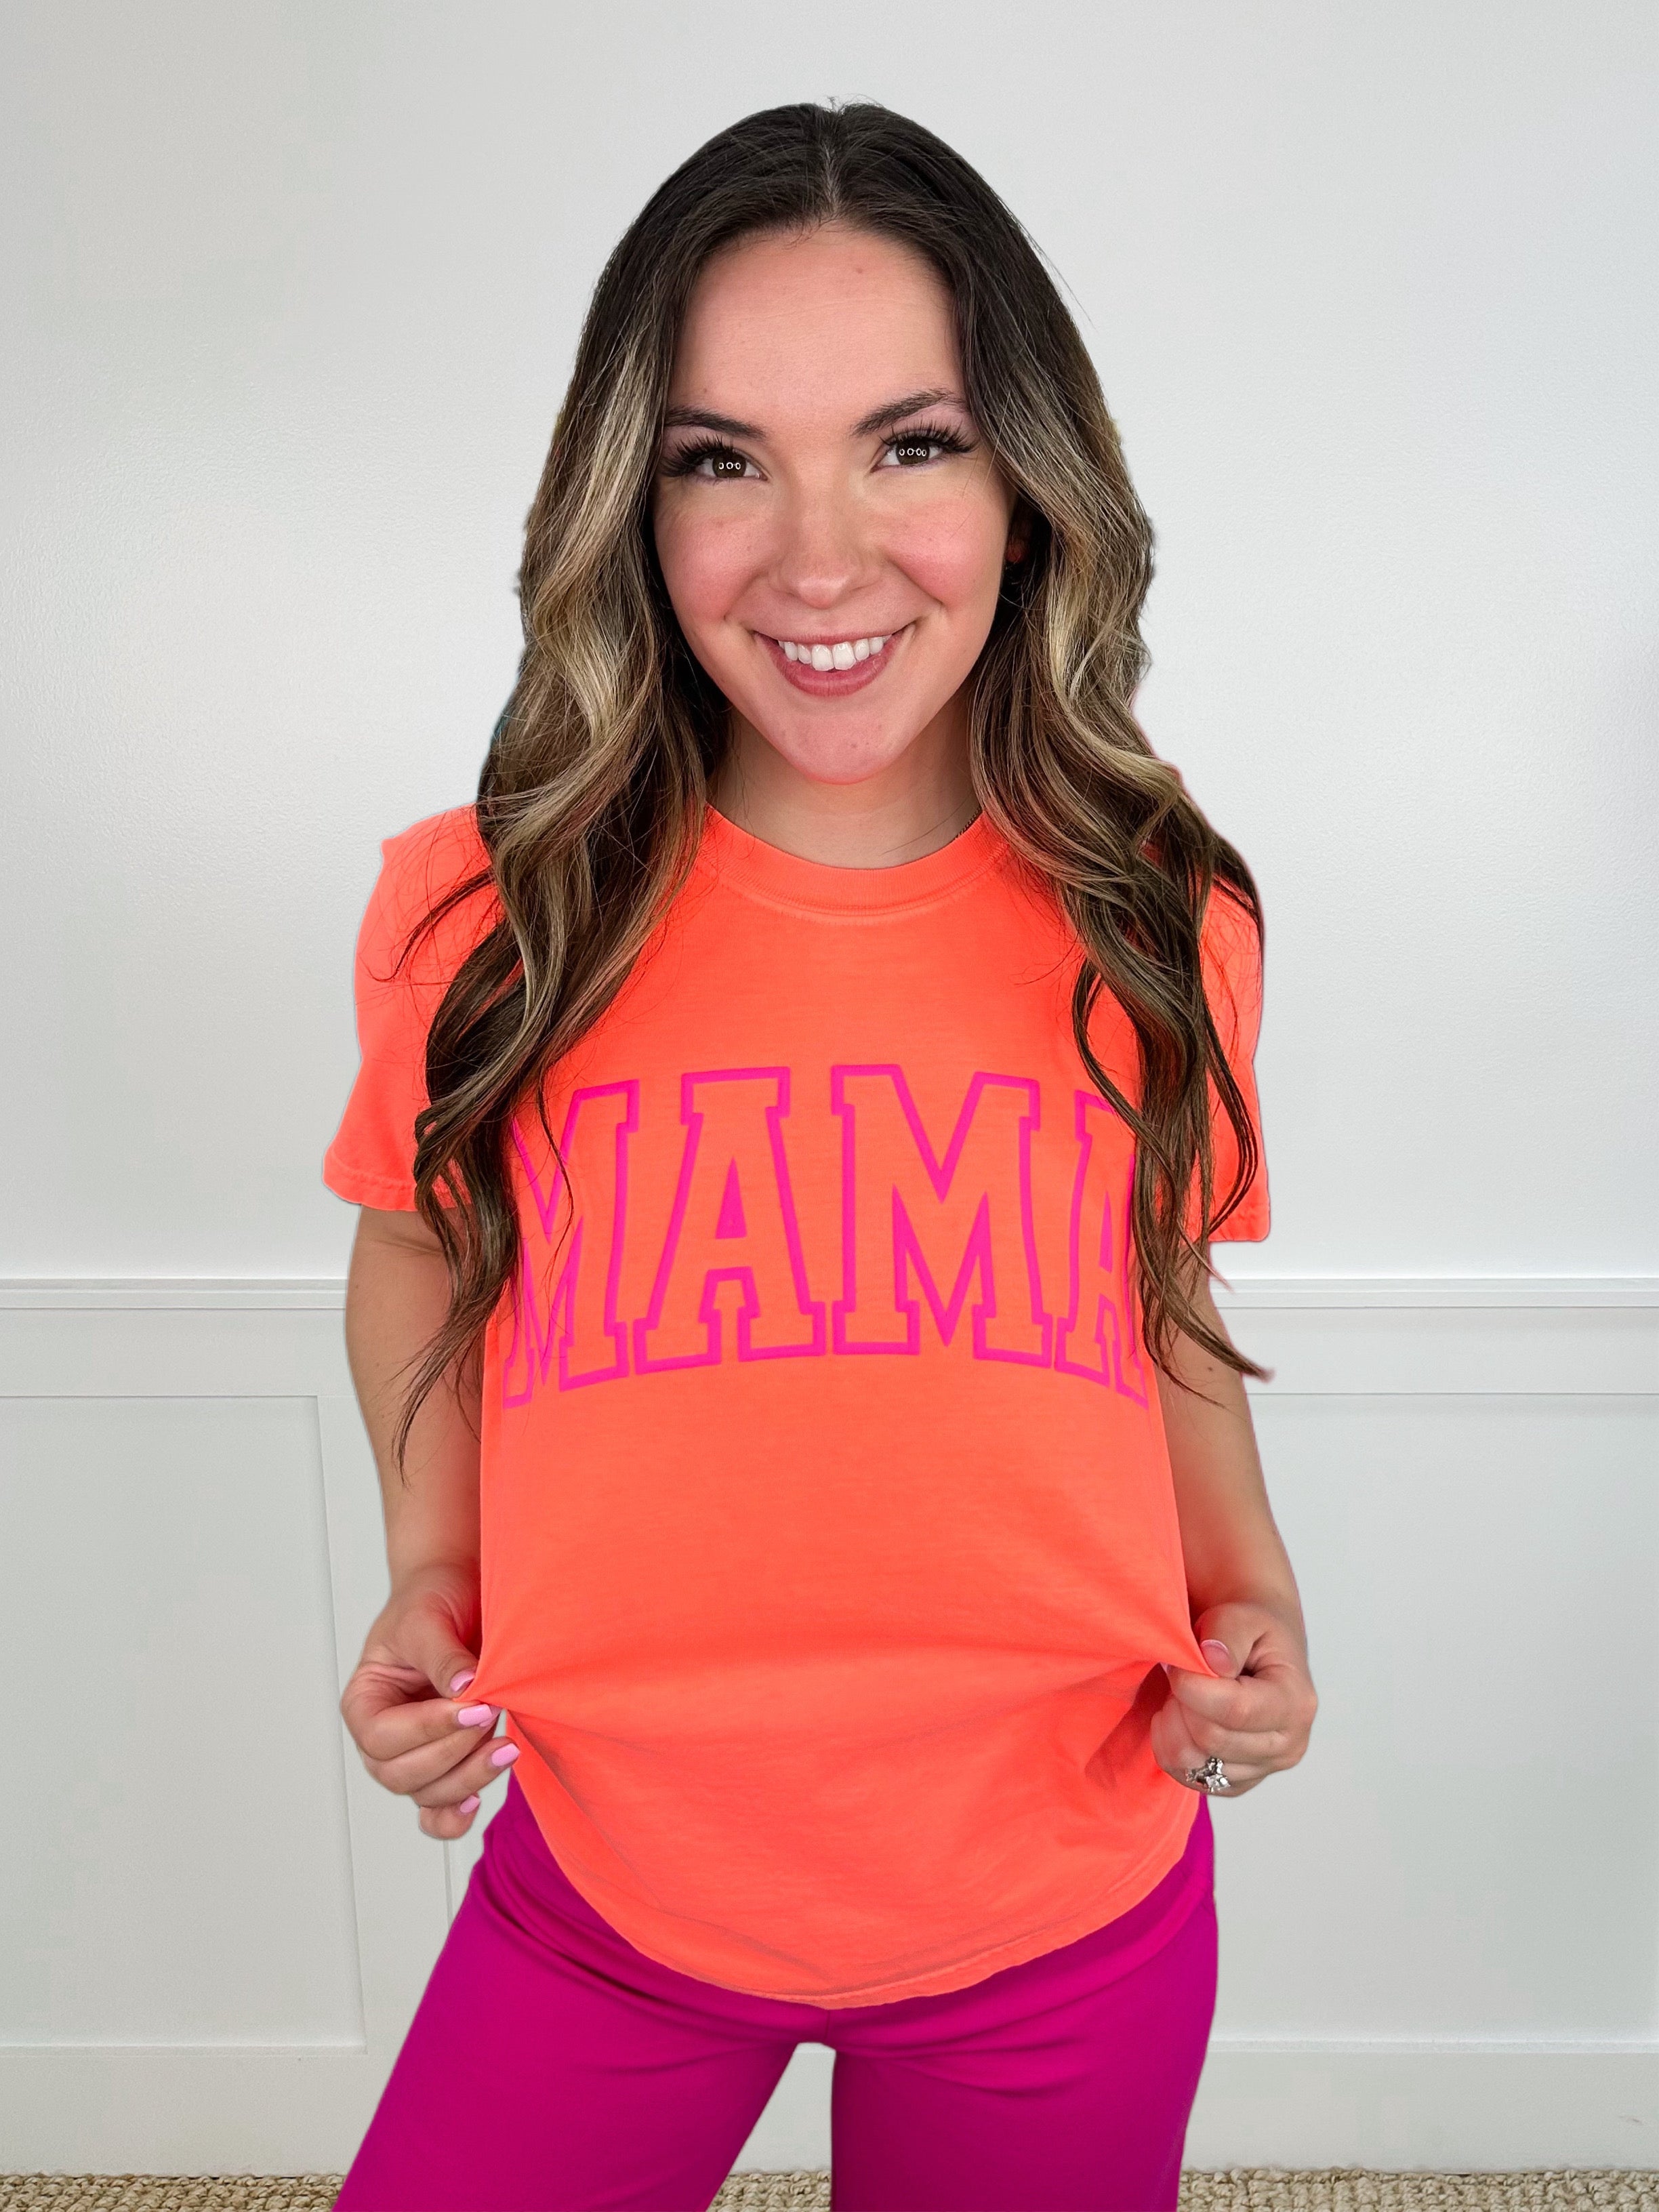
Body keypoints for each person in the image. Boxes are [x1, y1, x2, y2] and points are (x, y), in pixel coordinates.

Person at [323, 99, 1317, 2212]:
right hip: (606, 1894)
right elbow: (416, 1244)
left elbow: (1161, 1293)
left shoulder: (1162, 914)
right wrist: (435, 1563)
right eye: (722, 460)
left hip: (1064, 1910)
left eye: (909, 444)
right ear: (632, 501)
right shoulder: (486, 916)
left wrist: (1251, 1586)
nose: (820, 558)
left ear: (1029, 487)